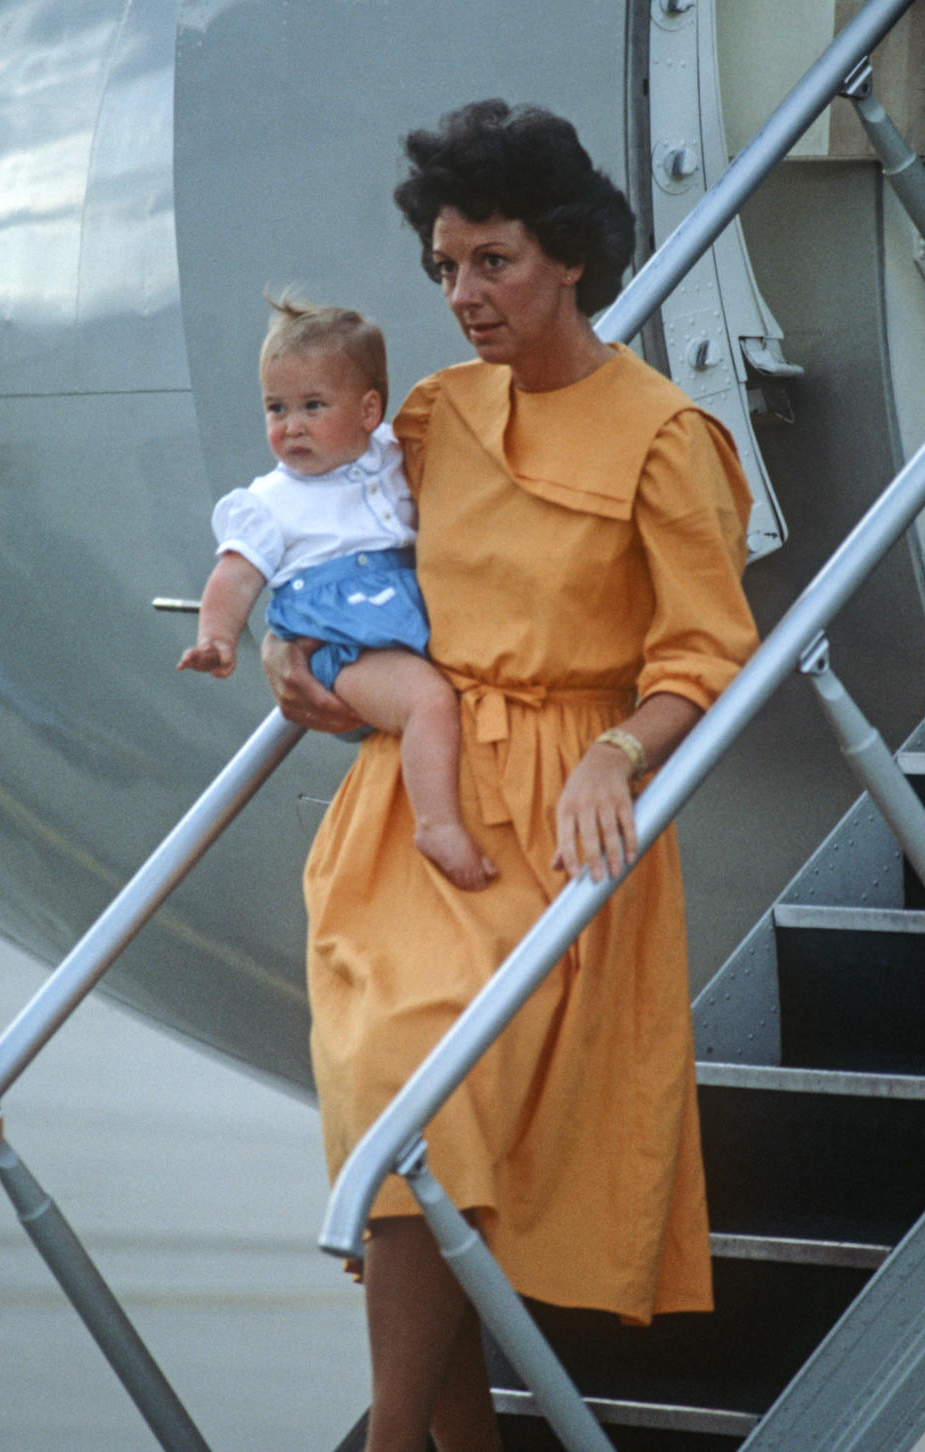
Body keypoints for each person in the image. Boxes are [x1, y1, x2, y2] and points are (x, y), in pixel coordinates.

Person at [262, 100, 760, 1452]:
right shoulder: (428, 416)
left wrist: (618, 749)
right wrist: (297, 661)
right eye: (444, 268)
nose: (463, 296)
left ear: (573, 257)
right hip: (406, 815)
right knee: (410, 1121)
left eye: (492, 261)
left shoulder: (666, 437)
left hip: (550, 827)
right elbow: (348, 572)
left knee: (435, 1120)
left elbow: (710, 655)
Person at [178, 294, 496, 892]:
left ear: (369, 410)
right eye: (276, 408)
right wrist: (217, 638)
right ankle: (437, 824)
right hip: (344, 641)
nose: (290, 426)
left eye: (312, 406)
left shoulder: (392, 460)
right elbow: (235, 575)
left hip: (399, 612)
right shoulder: (271, 502)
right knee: (427, 701)